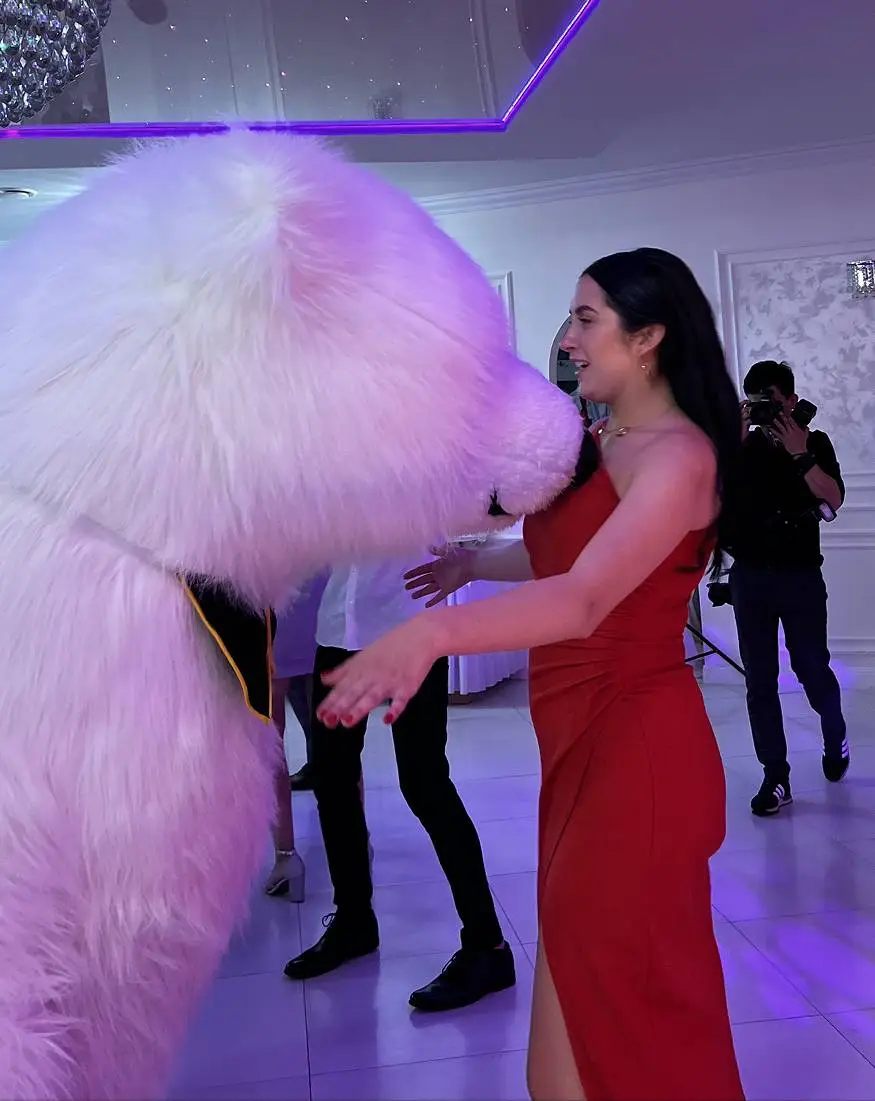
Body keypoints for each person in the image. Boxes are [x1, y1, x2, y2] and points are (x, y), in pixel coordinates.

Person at [316, 249, 746, 1101]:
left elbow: (585, 597)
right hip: (578, 740)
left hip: (639, 756)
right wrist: (468, 563)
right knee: (573, 1008)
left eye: (587, 318)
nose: (569, 338)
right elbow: (563, 552)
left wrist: (429, 634)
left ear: (649, 336)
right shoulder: (600, 438)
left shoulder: (678, 456)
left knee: (626, 1008)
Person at [283, 558, 515, 1013]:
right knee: (332, 778)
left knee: (425, 782)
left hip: (410, 624)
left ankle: (487, 945)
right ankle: (353, 921)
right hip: (338, 628)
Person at [730, 360, 847, 817]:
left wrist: (800, 454)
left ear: (792, 401)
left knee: (812, 670)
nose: (765, 412)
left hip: (800, 575)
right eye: (757, 403)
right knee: (759, 681)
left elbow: (832, 498)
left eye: (772, 403)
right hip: (750, 576)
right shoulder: (740, 448)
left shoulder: (814, 442)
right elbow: (711, 497)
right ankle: (775, 776)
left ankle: (834, 733)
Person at [263, 573, 328, 897]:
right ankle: (357, 842)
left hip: (271, 607)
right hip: (323, 602)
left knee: (271, 745)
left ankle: (286, 857)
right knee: (336, 738)